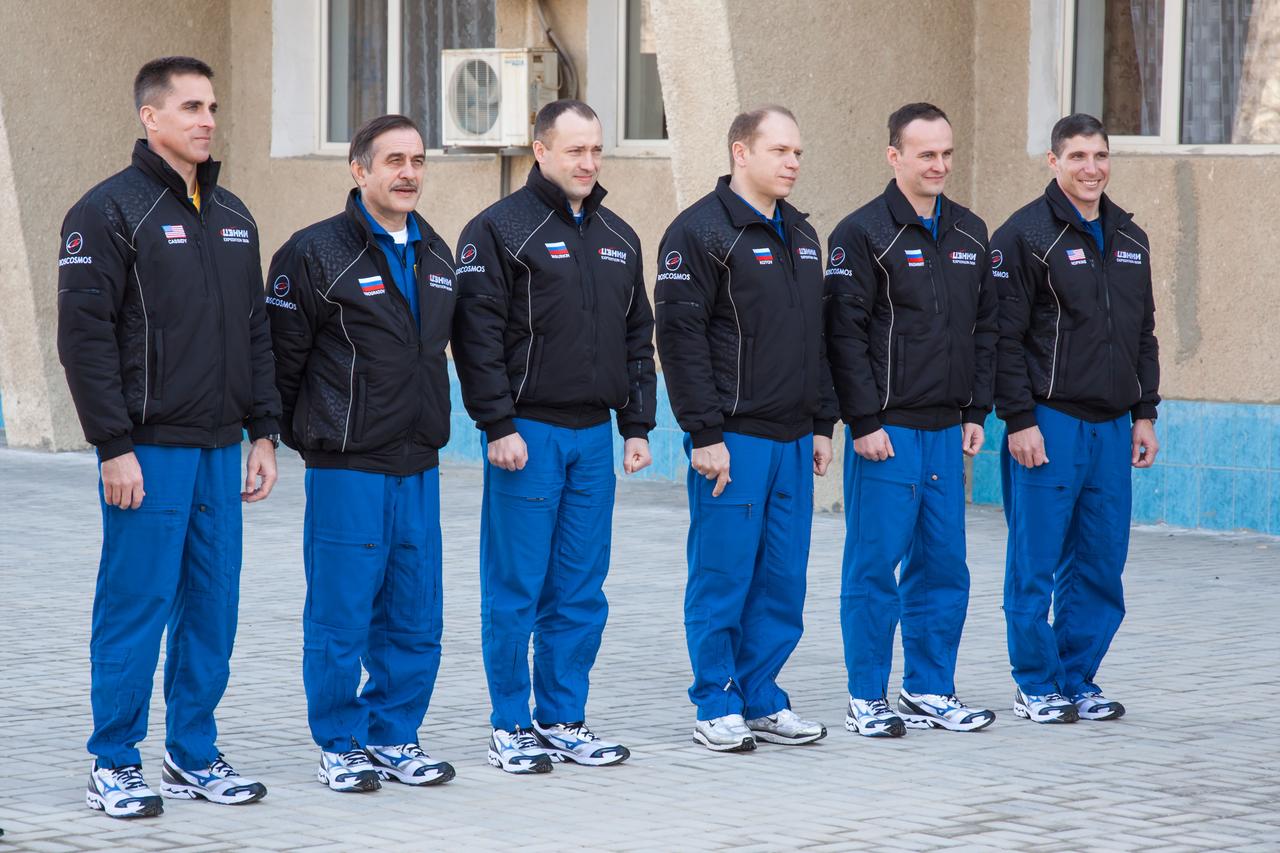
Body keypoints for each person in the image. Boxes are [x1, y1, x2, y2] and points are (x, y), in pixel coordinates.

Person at [57, 56, 279, 818]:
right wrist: (112, 444)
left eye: (211, 105)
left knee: (213, 608)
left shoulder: (235, 216)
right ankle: (114, 760)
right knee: (135, 603)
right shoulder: (108, 213)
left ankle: (192, 753)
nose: (206, 119)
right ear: (149, 117)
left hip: (222, 448)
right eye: (190, 107)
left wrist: (264, 431)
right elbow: (83, 339)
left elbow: (256, 332)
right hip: (147, 450)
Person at [451, 99, 656, 773]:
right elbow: (475, 338)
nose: (588, 163)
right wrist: (497, 423)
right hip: (528, 435)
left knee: (579, 587)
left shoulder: (619, 235)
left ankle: (563, 717)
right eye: (575, 151)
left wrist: (637, 425)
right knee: (517, 585)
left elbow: (636, 335)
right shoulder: (498, 230)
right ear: (540, 151)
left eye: (596, 150)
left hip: (594, 436)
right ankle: (509, 723)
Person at [266, 115, 457, 791]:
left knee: (414, 611)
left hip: (418, 461)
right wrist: (299, 433)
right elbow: (281, 362)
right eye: (393, 161)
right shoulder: (316, 253)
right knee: (341, 613)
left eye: (418, 160)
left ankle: (394, 735)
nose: (408, 173)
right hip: (347, 465)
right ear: (359, 170)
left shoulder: (436, 251)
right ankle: (340, 741)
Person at [655, 105, 836, 753]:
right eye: (781, 151)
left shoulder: (803, 234)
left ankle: (762, 696)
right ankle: (715, 700)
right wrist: (704, 432)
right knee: (724, 573)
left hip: (793, 439)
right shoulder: (700, 233)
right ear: (741, 152)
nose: (792, 163)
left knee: (783, 577)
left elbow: (818, 339)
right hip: (732, 439)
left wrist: (823, 422)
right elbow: (679, 341)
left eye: (798, 153)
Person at [824, 103, 998, 737]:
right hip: (887, 434)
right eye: (927, 154)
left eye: (947, 153)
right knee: (874, 566)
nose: (940, 165)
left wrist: (976, 410)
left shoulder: (973, 232)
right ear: (894, 156)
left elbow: (987, 330)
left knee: (944, 564)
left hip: (946, 431)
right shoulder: (862, 233)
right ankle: (866, 696)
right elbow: (843, 336)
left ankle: (929, 688)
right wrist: (863, 420)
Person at [990, 113, 1160, 724]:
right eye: (1079, 156)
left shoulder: (1130, 237)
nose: (1092, 168)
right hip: (1049, 421)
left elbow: (1142, 332)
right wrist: (1018, 419)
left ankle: (1076, 677)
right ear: (1053, 161)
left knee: (1100, 564)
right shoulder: (1026, 236)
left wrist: (1145, 412)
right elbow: (1003, 338)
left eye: (1101, 156)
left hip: (1114, 426)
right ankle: (1035, 683)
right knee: (1035, 563)